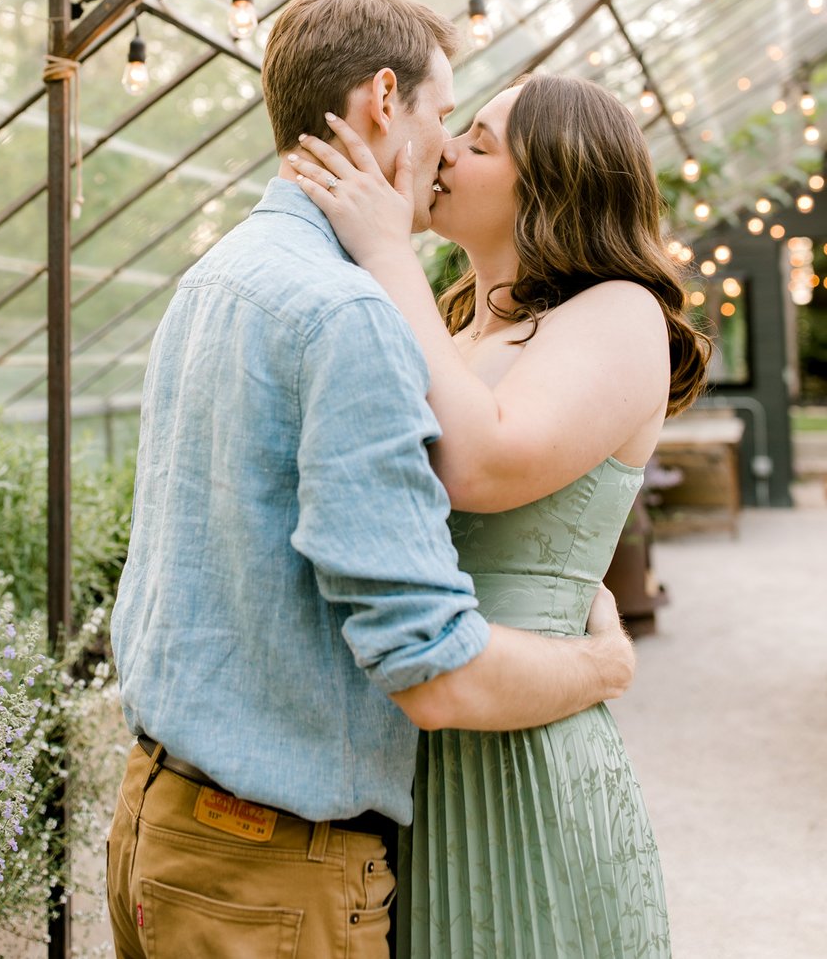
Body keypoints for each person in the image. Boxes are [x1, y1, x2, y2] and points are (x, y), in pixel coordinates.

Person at [106, 0, 636, 959]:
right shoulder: (350, 313)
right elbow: (428, 668)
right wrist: (597, 665)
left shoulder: (217, 274)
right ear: (384, 101)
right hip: (268, 871)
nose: (442, 151)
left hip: (158, 819)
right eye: (446, 117)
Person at [291, 71, 712, 959]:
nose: (442, 150)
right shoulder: (452, 331)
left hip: (520, 754)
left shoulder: (619, 313)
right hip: (406, 737)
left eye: (478, 143)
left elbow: (481, 464)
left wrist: (388, 256)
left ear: (553, 186)